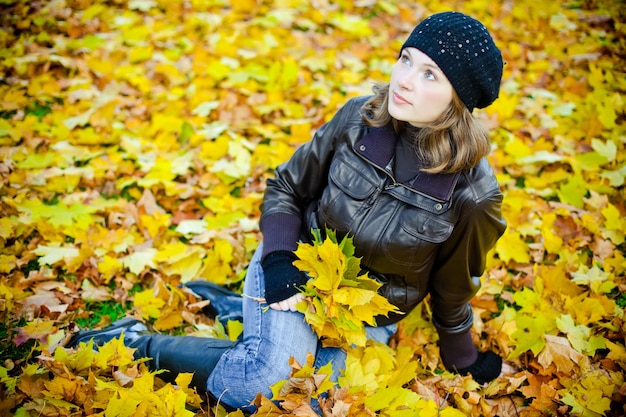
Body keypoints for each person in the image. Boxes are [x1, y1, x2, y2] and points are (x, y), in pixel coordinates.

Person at [67, 10, 508, 411]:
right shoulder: (360, 118)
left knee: (313, 402)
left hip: (361, 315)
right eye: (406, 59)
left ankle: (240, 313)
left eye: (430, 74)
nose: (405, 80)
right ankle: (134, 341)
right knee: (264, 383)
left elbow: (454, 286)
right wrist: (280, 264)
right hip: (295, 267)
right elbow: (286, 187)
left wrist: (461, 356)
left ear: (458, 100)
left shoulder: (472, 193)